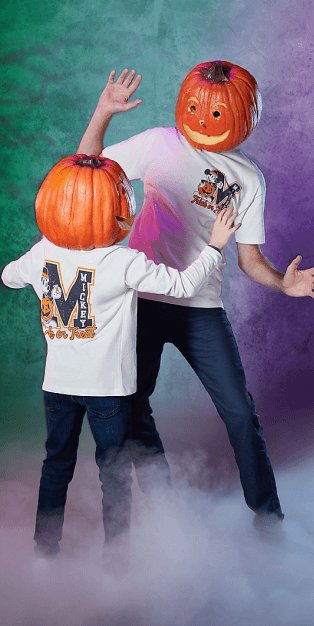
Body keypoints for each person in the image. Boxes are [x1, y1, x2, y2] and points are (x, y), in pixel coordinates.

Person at [77, 62, 314, 521]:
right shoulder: (158, 144)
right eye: (194, 107)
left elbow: (250, 261)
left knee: (241, 415)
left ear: (246, 114)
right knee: (130, 403)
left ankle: (268, 518)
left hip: (201, 306)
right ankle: (166, 506)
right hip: (143, 299)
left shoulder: (249, 179)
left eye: (220, 112)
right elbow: (85, 169)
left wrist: (283, 284)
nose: (204, 119)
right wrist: (103, 112)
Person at [1, 153, 238, 558]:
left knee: (56, 464)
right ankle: (116, 558)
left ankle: (45, 551)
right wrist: (215, 245)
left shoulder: (43, 254)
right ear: (116, 214)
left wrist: (50, 247)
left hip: (57, 389)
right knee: (114, 473)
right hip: (108, 392)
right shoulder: (123, 262)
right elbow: (182, 287)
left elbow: (8, 276)